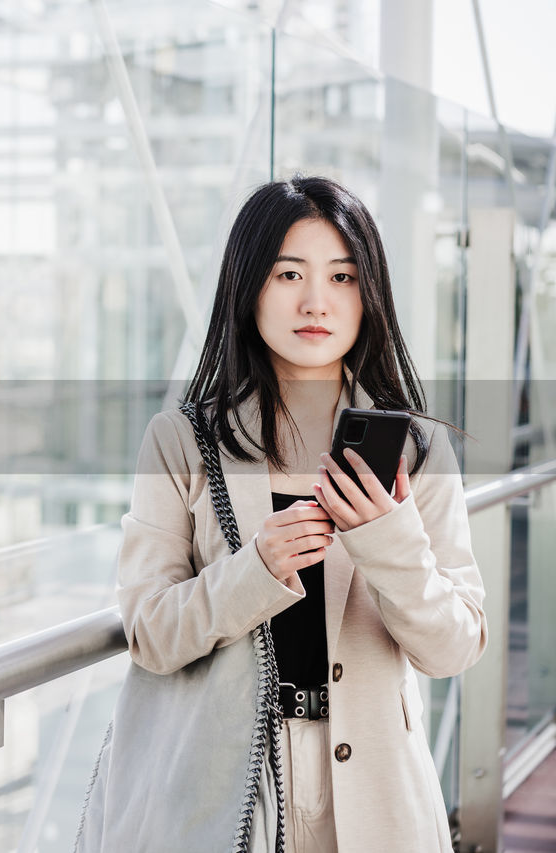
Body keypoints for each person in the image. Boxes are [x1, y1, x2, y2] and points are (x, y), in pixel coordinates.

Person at [113, 175, 487, 852]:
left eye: (343, 277)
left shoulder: (414, 448)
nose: (317, 300)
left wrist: (388, 540)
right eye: (290, 273)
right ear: (249, 284)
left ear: (369, 295)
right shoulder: (181, 441)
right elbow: (149, 631)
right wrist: (254, 570)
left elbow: (454, 644)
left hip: (380, 796)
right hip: (230, 786)